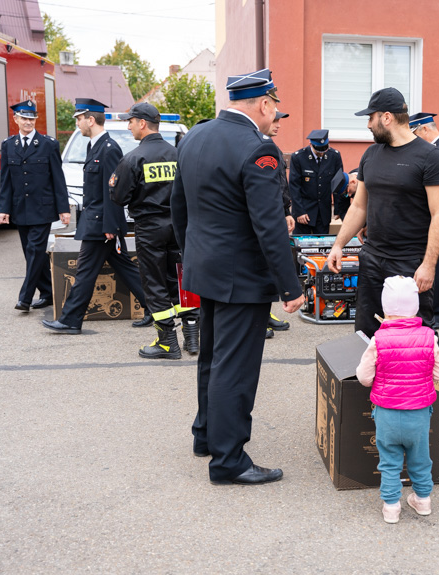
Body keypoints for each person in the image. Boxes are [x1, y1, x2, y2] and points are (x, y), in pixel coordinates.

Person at [171, 68, 304, 485]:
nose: (274, 115)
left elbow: (179, 207)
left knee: (212, 357)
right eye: (274, 107)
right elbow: (269, 226)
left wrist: (192, 254)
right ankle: (229, 461)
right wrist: (290, 286)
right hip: (241, 277)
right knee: (236, 368)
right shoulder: (258, 150)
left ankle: (206, 435)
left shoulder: (194, 136)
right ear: (264, 105)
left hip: (205, 268)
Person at [325, 87, 439, 339]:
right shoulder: (370, 155)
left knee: (412, 338)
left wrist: (428, 265)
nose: (368, 125)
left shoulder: (430, 157)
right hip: (372, 259)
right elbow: (359, 206)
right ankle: (369, 380)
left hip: (410, 263)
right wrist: (338, 244)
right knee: (366, 333)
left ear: (386, 118)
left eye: (370, 118)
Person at [42, 98, 147, 335]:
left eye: (79, 119)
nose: (77, 124)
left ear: (91, 119)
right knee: (124, 268)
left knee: (85, 271)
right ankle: (154, 306)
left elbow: (112, 192)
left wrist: (110, 225)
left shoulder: (109, 149)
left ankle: (70, 320)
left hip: (101, 224)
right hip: (97, 221)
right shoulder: (94, 146)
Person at [109, 102, 200, 359]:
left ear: (142, 123)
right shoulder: (178, 154)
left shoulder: (133, 158)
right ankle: (192, 337)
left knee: (154, 283)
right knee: (183, 279)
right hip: (180, 227)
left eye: (130, 121)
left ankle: (167, 342)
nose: (128, 126)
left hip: (150, 228)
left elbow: (118, 196)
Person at [356, 275, 439, 524]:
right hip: (418, 412)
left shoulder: (378, 339)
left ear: (385, 307)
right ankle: (423, 500)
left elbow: (364, 378)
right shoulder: (429, 337)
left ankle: (391, 507)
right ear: (415, 306)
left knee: (389, 461)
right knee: (420, 458)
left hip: (386, 411)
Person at [0, 100, 70, 312]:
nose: (28, 122)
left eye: (32, 119)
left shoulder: (48, 144)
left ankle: (25, 298)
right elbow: (6, 180)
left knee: (35, 250)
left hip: (43, 209)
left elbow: (58, 179)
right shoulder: (9, 145)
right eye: (25, 118)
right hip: (20, 209)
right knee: (32, 254)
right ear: (16, 119)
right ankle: (47, 292)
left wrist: (63, 209)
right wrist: (3, 209)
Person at [410, 112, 439, 329]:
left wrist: (438, 217)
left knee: (437, 265)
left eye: (415, 134)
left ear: (425, 130)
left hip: (437, 217)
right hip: (431, 216)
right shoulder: (437, 150)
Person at [264, 109, 294, 339]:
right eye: (275, 120)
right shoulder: (257, 147)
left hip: (278, 212)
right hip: (266, 216)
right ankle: (260, 316)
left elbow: (282, 184)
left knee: (267, 268)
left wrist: (287, 211)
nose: (278, 125)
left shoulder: (272, 147)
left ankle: (266, 313)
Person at [289, 129, 343, 234]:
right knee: (300, 246)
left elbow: (338, 184)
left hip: (323, 212)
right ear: (310, 145)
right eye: (318, 150)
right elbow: (294, 186)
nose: (322, 153)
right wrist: (299, 211)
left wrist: (338, 208)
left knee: (323, 247)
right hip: (304, 211)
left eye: (324, 149)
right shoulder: (298, 157)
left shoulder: (334, 156)